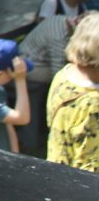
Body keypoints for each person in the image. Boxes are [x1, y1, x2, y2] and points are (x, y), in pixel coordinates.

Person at [17, 12, 92, 151]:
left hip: (34, 61)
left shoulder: (62, 20)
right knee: (70, 75)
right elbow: (56, 71)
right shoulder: (59, 37)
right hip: (29, 66)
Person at [47, 12, 99, 171]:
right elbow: (91, 166)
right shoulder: (93, 103)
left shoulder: (65, 73)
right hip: (77, 181)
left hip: (54, 167)